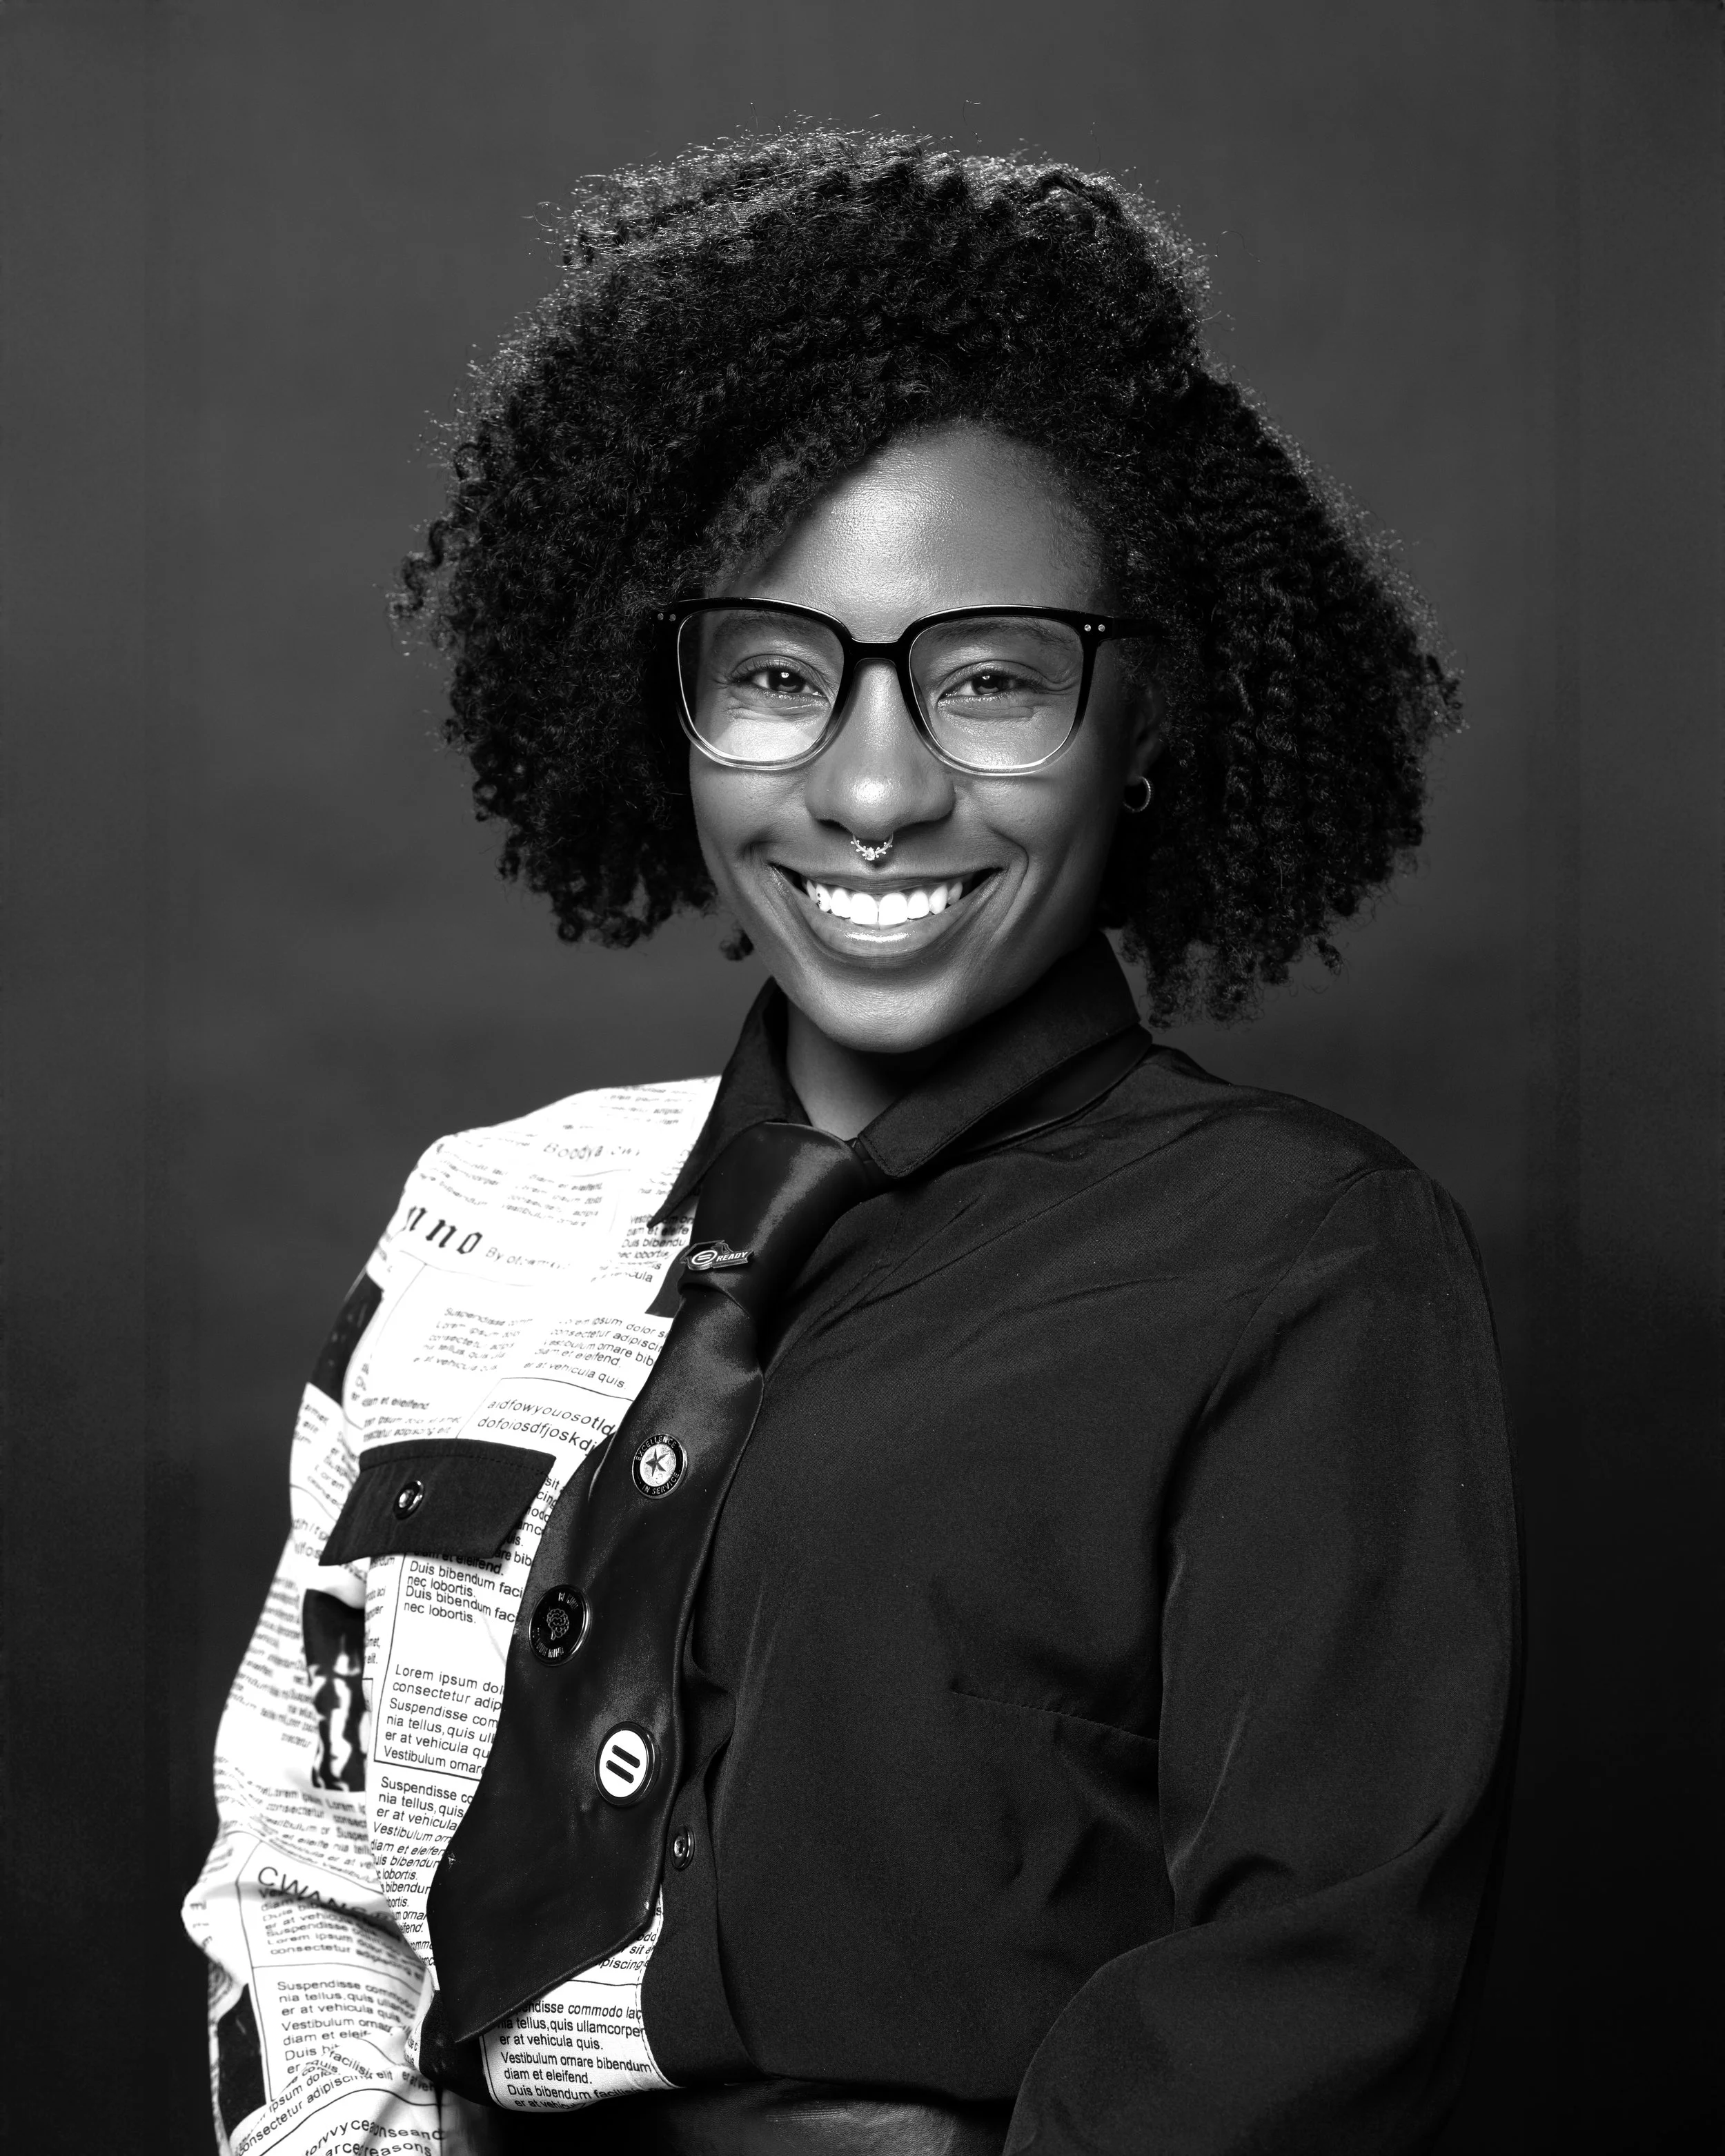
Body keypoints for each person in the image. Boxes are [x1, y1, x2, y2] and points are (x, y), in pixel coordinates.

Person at [185, 131, 1521, 2156]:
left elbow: (1306, 1998)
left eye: (989, 678)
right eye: (777, 678)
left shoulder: (1306, 1260)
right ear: (675, 716)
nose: (874, 785)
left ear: (1141, 724)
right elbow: (297, 1857)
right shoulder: (481, 1215)